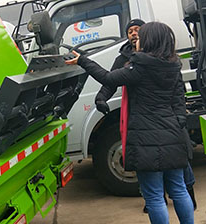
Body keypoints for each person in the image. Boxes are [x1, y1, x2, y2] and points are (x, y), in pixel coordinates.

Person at [66, 22, 194, 224]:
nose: (136, 38)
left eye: (141, 35)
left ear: (150, 39)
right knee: (178, 189)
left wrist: (83, 60)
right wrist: (178, 122)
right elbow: (179, 100)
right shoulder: (173, 65)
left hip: (145, 138)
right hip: (173, 135)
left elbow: (108, 77)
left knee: (153, 196)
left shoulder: (140, 66)